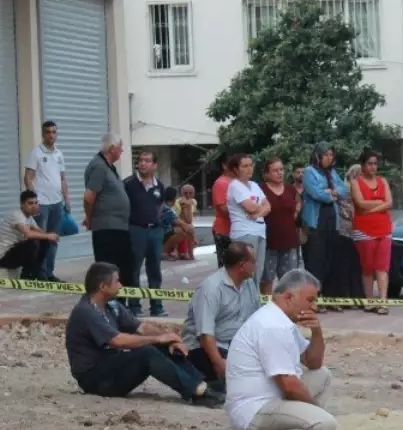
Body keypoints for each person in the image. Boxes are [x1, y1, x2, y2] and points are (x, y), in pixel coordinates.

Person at [225, 269, 336, 430]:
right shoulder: (273, 326)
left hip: (270, 400)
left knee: (323, 375)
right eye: (310, 299)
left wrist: (317, 331)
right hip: (254, 408)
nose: (314, 306)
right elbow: (289, 385)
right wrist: (317, 411)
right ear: (288, 297)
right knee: (324, 424)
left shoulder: (281, 321)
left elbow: (314, 363)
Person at [65, 261, 217, 406]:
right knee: (146, 352)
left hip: (112, 367)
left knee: (161, 345)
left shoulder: (112, 306)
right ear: (103, 286)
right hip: (95, 379)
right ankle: (195, 391)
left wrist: (170, 338)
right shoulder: (86, 311)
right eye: (117, 281)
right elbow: (117, 340)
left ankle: (202, 384)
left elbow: (141, 327)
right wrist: (157, 338)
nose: (121, 285)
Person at [181, 241, 261, 390]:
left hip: (235, 345)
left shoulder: (249, 284)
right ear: (242, 265)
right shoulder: (211, 288)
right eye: (253, 261)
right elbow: (205, 335)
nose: (256, 265)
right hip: (206, 348)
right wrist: (218, 363)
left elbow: (256, 322)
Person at [83, 133, 136, 310]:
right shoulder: (99, 166)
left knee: (123, 271)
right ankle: (108, 308)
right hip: (107, 229)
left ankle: (120, 308)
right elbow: (89, 197)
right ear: (112, 148)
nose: (121, 150)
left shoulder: (109, 167)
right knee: (108, 271)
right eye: (120, 147)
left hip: (119, 228)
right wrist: (90, 220)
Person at [302, 142, 350, 311]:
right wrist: (331, 193)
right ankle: (315, 299)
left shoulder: (332, 173)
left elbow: (345, 190)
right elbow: (316, 193)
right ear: (318, 156)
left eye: (331, 155)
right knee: (316, 261)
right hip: (316, 222)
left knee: (331, 260)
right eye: (326, 154)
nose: (330, 158)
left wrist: (332, 192)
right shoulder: (309, 172)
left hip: (332, 221)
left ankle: (331, 298)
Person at [123, 151, 168, 317]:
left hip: (155, 231)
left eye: (147, 161)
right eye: (140, 160)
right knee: (133, 268)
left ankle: (157, 307)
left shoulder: (159, 186)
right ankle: (134, 306)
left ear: (154, 165)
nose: (143, 164)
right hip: (136, 230)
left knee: (155, 269)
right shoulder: (128, 184)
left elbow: (160, 206)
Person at [23, 120, 68, 281]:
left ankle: (49, 272)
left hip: (57, 203)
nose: (51, 135)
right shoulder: (36, 152)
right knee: (41, 239)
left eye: (54, 132)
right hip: (42, 204)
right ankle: (39, 272)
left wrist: (67, 200)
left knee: (54, 239)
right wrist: (34, 201)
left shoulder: (59, 154)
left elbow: (62, 179)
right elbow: (28, 177)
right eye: (48, 132)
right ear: (43, 134)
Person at [351, 150, 394, 312]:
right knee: (367, 267)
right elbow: (360, 203)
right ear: (363, 165)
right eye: (369, 163)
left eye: (375, 163)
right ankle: (369, 301)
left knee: (382, 267)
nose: (373, 167)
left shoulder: (382, 181)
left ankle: (383, 301)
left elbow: (389, 202)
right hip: (364, 229)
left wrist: (373, 206)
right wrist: (379, 202)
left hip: (384, 228)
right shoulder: (356, 182)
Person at [226, 153, 270, 290]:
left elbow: (268, 206)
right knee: (246, 271)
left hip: (260, 231)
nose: (249, 169)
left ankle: (254, 303)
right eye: (244, 166)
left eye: (251, 165)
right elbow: (250, 207)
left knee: (258, 270)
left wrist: (258, 213)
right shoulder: (235, 186)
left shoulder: (254, 185)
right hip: (244, 232)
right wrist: (260, 209)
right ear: (235, 169)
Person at [261, 158, 302, 296]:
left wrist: (296, 211)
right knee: (267, 278)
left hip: (289, 240)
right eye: (275, 170)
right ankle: (266, 309)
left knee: (288, 279)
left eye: (281, 170)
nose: (279, 173)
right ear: (266, 174)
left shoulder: (290, 189)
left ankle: (285, 309)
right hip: (268, 241)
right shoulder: (261, 189)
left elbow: (298, 201)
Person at [0, 190, 58, 278]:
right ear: (22, 205)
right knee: (33, 243)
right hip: (3, 257)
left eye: (36, 203)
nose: (34, 206)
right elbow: (28, 234)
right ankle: (26, 275)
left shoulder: (29, 217)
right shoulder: (17, 216)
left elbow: (40, 232)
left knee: (45, 241)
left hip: (13, 254)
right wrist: (48, 236)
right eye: (30, 203)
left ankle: (36, 273)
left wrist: (52, 236)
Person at [211, 155, 236, 267]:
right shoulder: (221, 183)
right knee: (226, 268)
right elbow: (223, 208)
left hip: (237, 229)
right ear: (224, 165)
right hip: (224, 230)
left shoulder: (237, 182)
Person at [164, 184, 197, 261]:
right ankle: (174, 251)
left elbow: (189, 221)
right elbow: (184, 221)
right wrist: (186, 207)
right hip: (170, 230)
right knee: (187, 229)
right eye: (185, 193)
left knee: (188, 229)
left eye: (190, 193)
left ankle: (187, 253)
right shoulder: (177, 203)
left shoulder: (194, 202)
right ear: (181, 193)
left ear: (194, 193)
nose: (188, 195)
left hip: (180, 228)